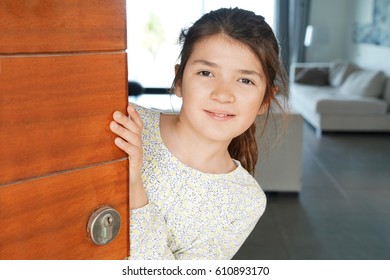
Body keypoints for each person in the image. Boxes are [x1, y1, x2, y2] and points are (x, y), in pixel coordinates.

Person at [110, 7, 288, 259]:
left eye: (245, 80)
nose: (223, 94)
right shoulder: (124, 123)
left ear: (265, 100)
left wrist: (133, 186)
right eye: (206, 73)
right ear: (179, 80)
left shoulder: (244, 202)